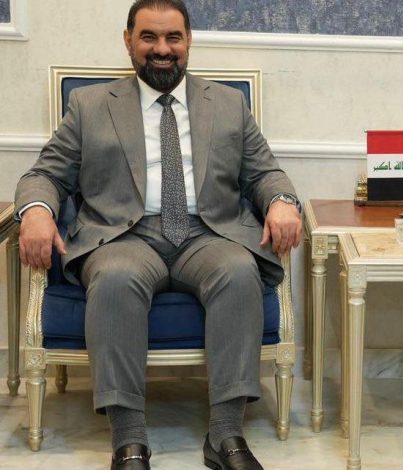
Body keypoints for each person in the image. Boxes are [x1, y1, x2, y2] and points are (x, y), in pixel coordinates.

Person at [15, 1, 302, 468]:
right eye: (149, 37)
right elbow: (45, 173)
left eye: (173, 38)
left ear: (189, 42)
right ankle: (129, 440)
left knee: (238, 271)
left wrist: (282, 201)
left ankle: (226, 435)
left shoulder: (227, 104)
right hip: (124, 237)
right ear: (128, 40)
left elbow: (264, 172)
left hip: (207, 234)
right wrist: (36, 212)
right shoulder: (90, 105)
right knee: (115, 278)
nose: (162, 49)